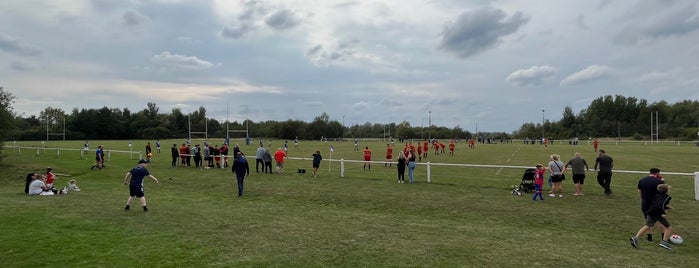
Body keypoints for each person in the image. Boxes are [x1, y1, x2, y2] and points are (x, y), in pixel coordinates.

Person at [630, 184, 673, 250]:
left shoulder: (656, 195)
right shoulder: (666, 197)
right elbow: (661, 205)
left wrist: (667, 207)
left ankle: (635, 238)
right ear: (667, 190)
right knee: (668, 227)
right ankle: (664, 241)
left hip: (651, 212)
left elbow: (656, 204)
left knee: (647, 225)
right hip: (657, 213)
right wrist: (663, 213)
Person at [637, 168, 665, 243]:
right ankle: (663, 238)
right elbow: (662, 193)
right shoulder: (659, 182)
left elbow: (639, 191)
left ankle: (649, 238)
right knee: (661, 221)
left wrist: (642, 199)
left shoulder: (642, 180)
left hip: (645, 204)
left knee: (648, 221)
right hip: (656, 204)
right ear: (657, 173)